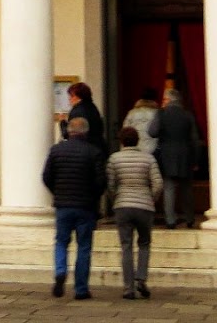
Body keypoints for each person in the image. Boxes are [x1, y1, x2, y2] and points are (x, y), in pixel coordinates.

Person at [42, 116, 106, 300]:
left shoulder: (56, 150)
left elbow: (46, 176)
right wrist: (93, 196)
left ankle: (60, 271)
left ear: (69, 131)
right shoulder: (93, 152)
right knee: (84, 246)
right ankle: (81, 289)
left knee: (61, 241)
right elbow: (100, 181)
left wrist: (58, 192)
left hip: (63, 205)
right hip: (85, 206)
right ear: (85, 132)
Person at [106, 125, 162, 301]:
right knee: (144, 243)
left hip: (123, 206)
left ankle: (128, 287)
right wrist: (151, 198)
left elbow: (110, 183)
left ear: (121, 141)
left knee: (126, 246)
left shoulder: (114, 159)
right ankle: (141, 278)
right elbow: (158, 183)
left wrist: (116, 198)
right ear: (137, 140)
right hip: (144, 206)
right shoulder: (148, 159)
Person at [148, 88, 201, 229]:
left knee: (169, 188)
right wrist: (196, 159)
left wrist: (159, 115)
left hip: (166, 155)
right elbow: (195, 139)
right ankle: (189, 218)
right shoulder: (187, 115)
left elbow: (152, 132)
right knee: (186, 189)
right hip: (186, 155)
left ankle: (170, 220)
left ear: (167, 100)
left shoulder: (161, 113)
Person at [66, 83, 106, 156]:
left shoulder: (76, 111)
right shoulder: (93, 108)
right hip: (97, 148)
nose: (69, 99)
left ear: (79, 97)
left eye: (72, 96)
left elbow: (70, 134)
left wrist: (62, 123)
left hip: (82, 151)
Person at [121, 88, 160, 157]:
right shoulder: (157, 114)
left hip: (135, 150)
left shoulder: (132, 113)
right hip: (153, 151)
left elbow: (125, 133)